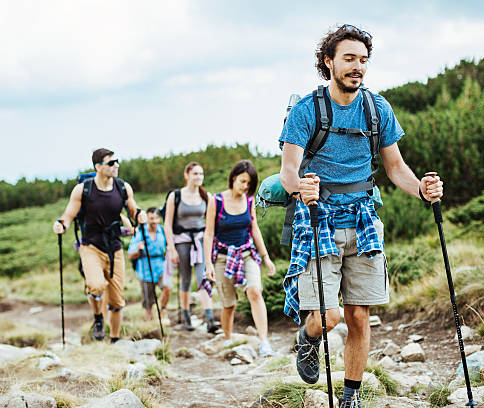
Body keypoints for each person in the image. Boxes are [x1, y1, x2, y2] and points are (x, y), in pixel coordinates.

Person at [279, 25, 444, 407]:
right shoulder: (308, 109)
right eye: (349, 59)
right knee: (329, 316)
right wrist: (299, 188)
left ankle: (351, 398)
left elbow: (396, 167)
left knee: (358, 316)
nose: (358, 67)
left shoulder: (377, 108)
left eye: (363, 60)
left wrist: (422, 188)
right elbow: (289, 169)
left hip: (364, 217)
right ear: (329, 62)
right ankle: (308, 337)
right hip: (317, 216)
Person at [53, 148, 146, 344]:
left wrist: (139, 215)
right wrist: (61, 224)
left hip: (115, 248)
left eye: (117, 161)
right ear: (98, 167)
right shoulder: (83, 190)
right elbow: (69, 215)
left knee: (116, 300)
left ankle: (114, 340)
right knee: (95, 286)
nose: (116, 165)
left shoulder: (122, 187)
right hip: (90, 246)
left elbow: (132, 209)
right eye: (111, 163)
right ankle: (97, 317)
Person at [204, 160, 277, 357]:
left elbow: (254, 229)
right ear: (234, 177)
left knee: (254, 292)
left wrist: (266, 257)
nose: (245, 186)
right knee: (229, 304)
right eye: (243, 181)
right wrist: (208, 264)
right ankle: (228, 338)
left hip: (246, 254)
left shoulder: (249, 200)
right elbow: (208, 234)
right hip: (221, 258)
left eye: (249, 184)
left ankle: (264, 342)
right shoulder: (216, 201)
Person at [163, 162, 217, 332]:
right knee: (185, 279)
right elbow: (167, 224)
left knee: (203, 277)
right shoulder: (175, 195)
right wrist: (171, 248)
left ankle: (209, 318)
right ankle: (186, 316)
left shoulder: (206, 196)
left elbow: (210, 223)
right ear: (187, 175)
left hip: (201, 241)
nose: (198, 177)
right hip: (182, 241)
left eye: (201, 174)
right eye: (195, 173)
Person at [128, 207, 172, 323]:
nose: (154, 221)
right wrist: (138, 250)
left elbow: (170, 246)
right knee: (148, 300)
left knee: (167, 287)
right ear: (147, 219)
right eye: (151, 218)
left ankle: (162, 310)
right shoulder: (140, 233)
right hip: (145, 269)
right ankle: (150, 321)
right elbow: (130, 255)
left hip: (161, 266)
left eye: (156, 218)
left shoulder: (162, 231)